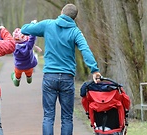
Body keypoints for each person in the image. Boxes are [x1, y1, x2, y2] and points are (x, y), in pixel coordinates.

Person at [21, 3, 101, 135]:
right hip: (67, 78)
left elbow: (25, 29)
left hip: (49, 77)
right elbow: (85, 50)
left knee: (48, 116)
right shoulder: (75, 32)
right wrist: (94, 70)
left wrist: (33, 23)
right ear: (74, 18)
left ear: (62, 12)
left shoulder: (47, 25)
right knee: (67, 118)